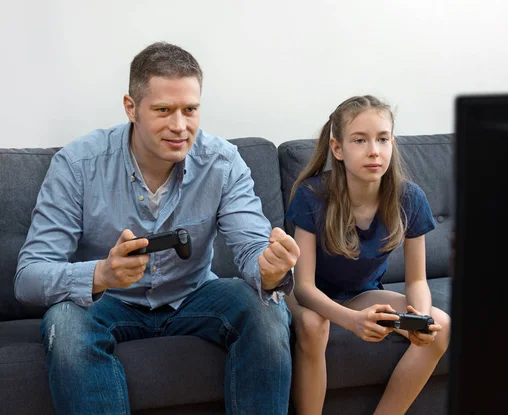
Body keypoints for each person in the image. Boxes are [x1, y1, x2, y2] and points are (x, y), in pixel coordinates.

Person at [14, 42, 299, 415]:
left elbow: (251, 249)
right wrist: (101, 273)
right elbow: (29, 276)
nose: (179, 126)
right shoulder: (78, 164)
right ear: (131, 108)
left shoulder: (224, 163)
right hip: (108, 302)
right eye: (163, 110)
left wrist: (270, 269)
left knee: (268, 310)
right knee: (65, 323)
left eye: (190, 110)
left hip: (195, 295)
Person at [285, 95, 451, 414]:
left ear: (392, 143)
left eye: (382, 139)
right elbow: (304, 287)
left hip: (359, 294)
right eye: (360, 140)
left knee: (441, 327)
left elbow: (417, 279)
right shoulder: (312, 196)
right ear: (337, 148)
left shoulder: (410, 198)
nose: (374, 150)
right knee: (313, 326)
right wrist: (352, 321)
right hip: (304, 293)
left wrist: (422, 319)